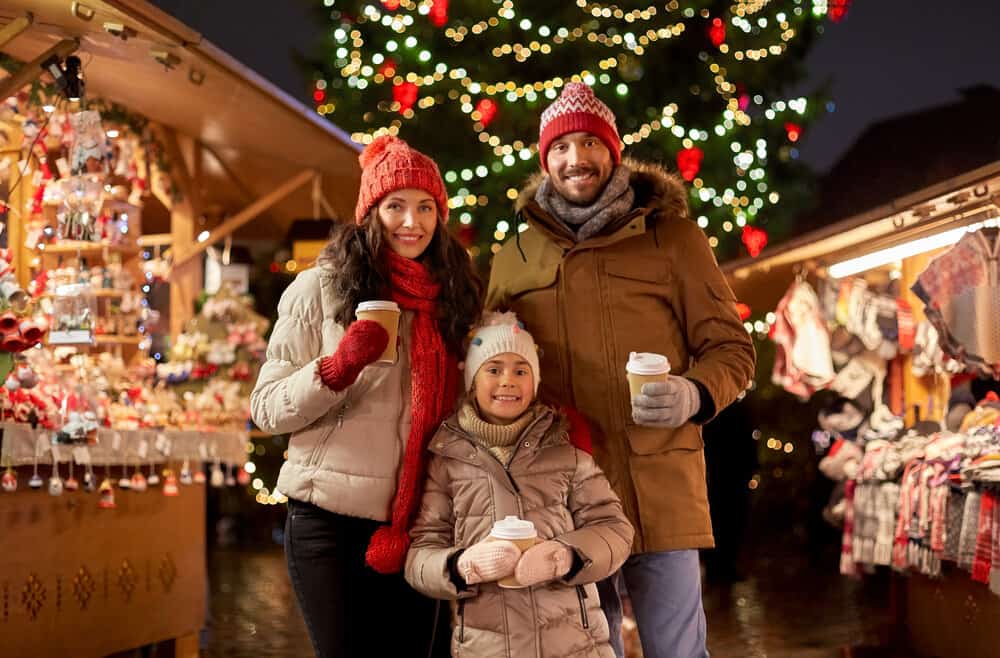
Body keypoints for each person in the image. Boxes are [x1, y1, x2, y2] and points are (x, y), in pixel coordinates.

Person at [486, 83, 756, 658]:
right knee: (586, 649)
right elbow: (491, 367)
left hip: (658, 484)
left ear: (614, 152)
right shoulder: (514, 253)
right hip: (563, 495)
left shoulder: (672, 238)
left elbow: (733, 349)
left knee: (678, 651)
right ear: (544, 159)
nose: (575, 159)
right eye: (560, 148)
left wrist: (694, 393)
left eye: (589, 143)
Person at [251, 135, 482, 658]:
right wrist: (336, 368)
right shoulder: (321, 290)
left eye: (426, 207)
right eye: (395, 206)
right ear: (370, 212)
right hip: (328, 523)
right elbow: (265, 409)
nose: (411, 221)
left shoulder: (453, 296)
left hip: (418, 524)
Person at [405, 312, 634, 657]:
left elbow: (614, 528)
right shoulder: (447, 461)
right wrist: (461, 565)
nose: (508, 380)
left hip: (576, 645)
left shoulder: (566, 453)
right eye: (494, 369)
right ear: (472, 380)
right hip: (488, 648)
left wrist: (564, 557)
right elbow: (420, 554)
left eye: (521, 370)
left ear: (535, 382)